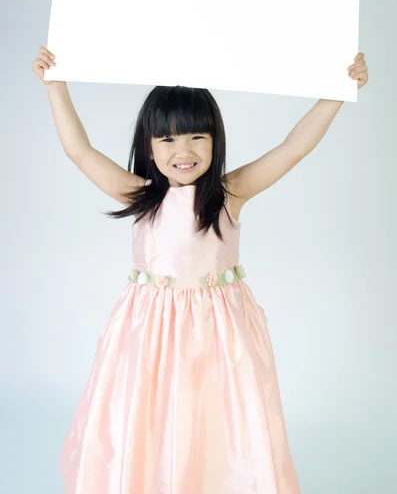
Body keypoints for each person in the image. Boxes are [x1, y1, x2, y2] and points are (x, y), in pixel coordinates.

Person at [32, 46, 368, 494]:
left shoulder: (230, 193)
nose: (183, 151)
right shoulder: (139, 195)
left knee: (218, 420)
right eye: (167, 139)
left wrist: (337, 92)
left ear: (215, 140)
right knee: (151, 418)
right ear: (148, 146)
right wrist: (55, 84)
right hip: (150, 335)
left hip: (220, 335)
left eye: (197, 137)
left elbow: (293, 149)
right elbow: (78, 150)